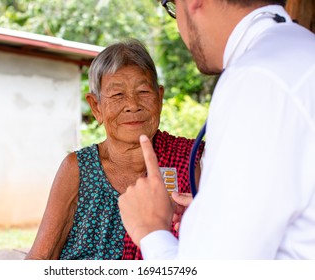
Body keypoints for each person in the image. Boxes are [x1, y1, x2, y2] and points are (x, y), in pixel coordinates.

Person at [119, 0, 315, 259]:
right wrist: (208, 216)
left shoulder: (255, 78)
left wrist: (151, 231)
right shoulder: (301, 51)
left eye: (173, 7)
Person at [25, 39, 204, 260]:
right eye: (118, 95)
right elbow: (41, 257)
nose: (132, 104)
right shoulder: (77, 170)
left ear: (159, 98)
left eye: (143, 91)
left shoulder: (189, 161)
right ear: (96, 107)